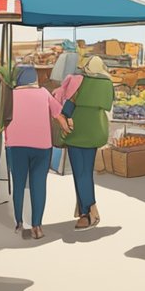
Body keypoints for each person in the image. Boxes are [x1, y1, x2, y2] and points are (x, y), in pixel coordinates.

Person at [6, 65, 67, 239]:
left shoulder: (10, 95)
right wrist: (66, 127)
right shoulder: (44, 93)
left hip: (16, 146)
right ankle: (37, 226)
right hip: (42, 147)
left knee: (18, 183)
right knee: (38, 185)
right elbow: (58, 115)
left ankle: (19, 222)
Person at [55, 56, 113, 229]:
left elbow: (68, 106)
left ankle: (88, 211)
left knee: (79, 173)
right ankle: (84, 209)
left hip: (76, 131)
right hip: (95, 132)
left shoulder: (78, 80)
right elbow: (108, 105)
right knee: (86, 172)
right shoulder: (108, 84)